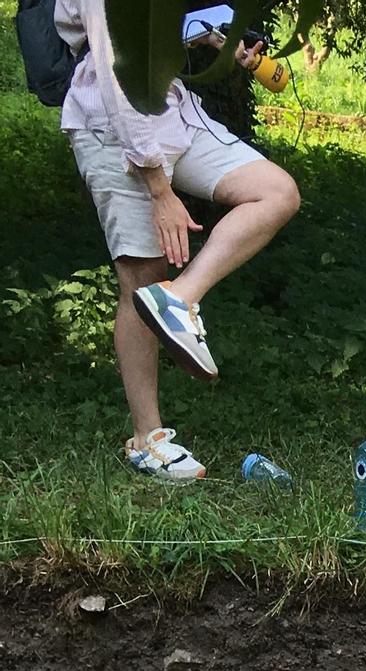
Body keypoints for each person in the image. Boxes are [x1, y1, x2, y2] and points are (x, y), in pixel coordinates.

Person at [54, 0, 300, 480]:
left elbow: (157, 35)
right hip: (110, 124)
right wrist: (159, 189)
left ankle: (179, 297)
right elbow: (115, 66)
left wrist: (217, 37)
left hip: (171, 111)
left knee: (276, 192)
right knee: (141, 278)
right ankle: (148, 440)